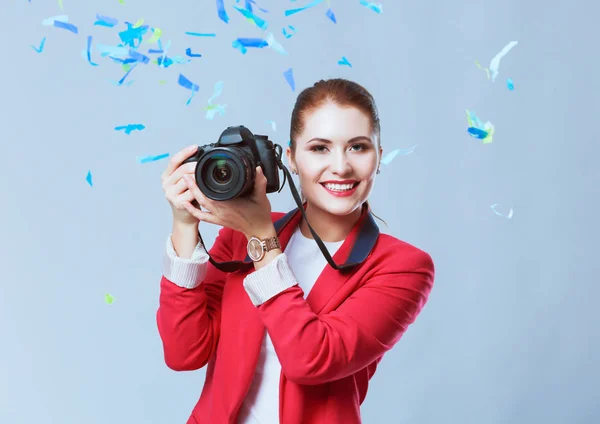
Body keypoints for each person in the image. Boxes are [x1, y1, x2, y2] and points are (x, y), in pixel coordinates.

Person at [157, 78, 435, 424]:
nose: (340, 166)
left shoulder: (404, 266)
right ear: (291, 158)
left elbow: (311, 359)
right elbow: (185, 353)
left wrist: (261, 237)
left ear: (378, 156)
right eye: (320, 148)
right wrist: (185, 226)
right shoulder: (240, 235)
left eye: (358, 147)